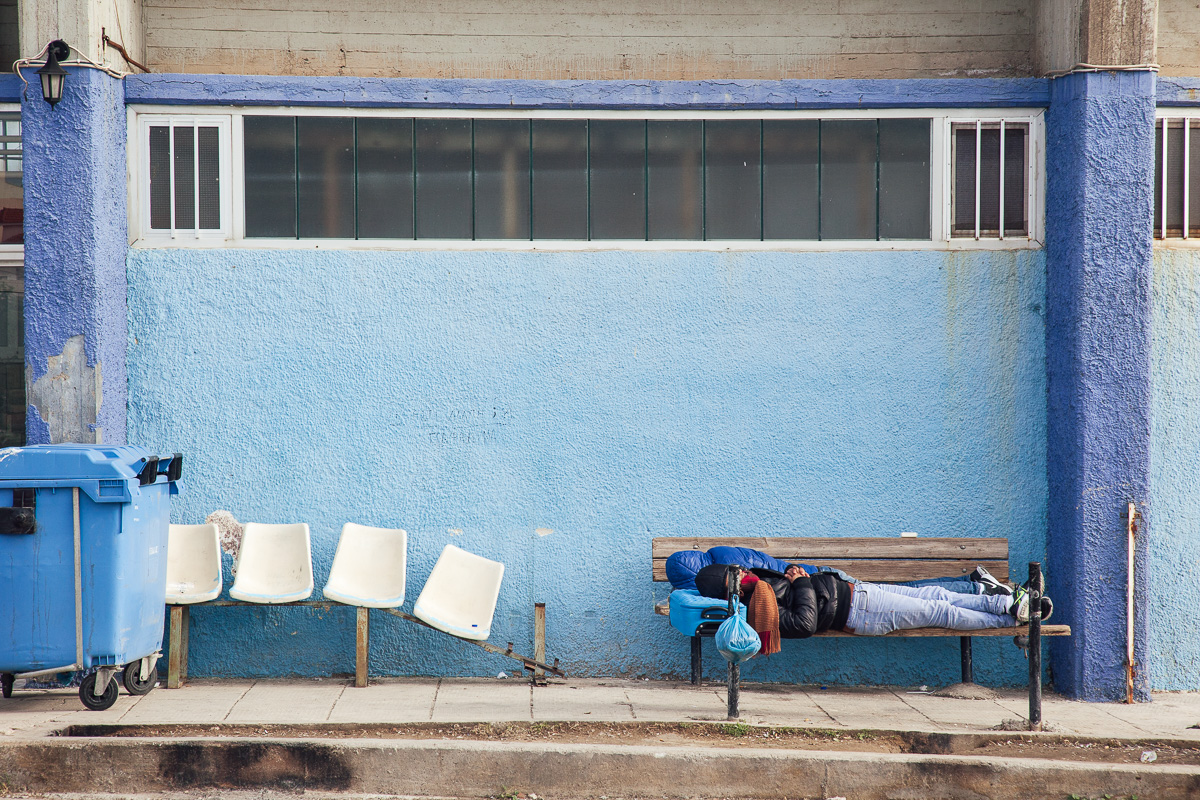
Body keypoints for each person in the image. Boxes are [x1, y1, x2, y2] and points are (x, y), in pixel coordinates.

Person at [693, 562, 1048, 641]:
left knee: (936, 595)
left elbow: (797, 586)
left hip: (857, 591)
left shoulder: (760, 584)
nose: (745, 573)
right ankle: (1013, 617)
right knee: (939, 611)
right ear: (730, 589)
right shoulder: (756, 612)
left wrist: (791, 570)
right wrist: (802, 582)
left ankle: (1009, 604)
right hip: (861, 613)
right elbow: (804, 623)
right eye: (737, 575)